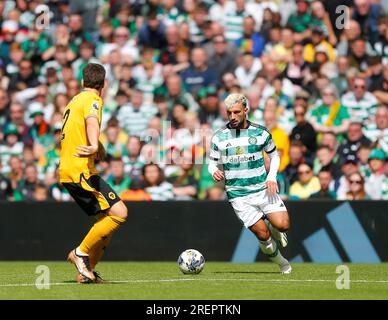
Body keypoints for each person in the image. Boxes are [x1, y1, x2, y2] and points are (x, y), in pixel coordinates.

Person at [59, 63, 128, 283]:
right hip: (81, 171)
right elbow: (91, 121)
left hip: (71, 169)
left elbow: (78, 128)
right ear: (104, 84)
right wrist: (92, 143)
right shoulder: (93, 100)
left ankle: (87, 273)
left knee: (105, 222)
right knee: (120, 213)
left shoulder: (74, 101)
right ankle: (80, 253)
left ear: (82, 82)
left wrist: (96, 145)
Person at [208, 93, 291, 274]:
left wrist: (271, 176)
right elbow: (212, 162)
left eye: (236, 112)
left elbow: (274, 155)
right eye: (229, 113)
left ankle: (274, 226)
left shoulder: (261, 133)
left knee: (283, 225)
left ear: (246, 110)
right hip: (238, 194)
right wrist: (213, 170)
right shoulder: (219, 137)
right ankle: (283, 263)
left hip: (262, 188)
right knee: (263, 234)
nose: (232, 117)